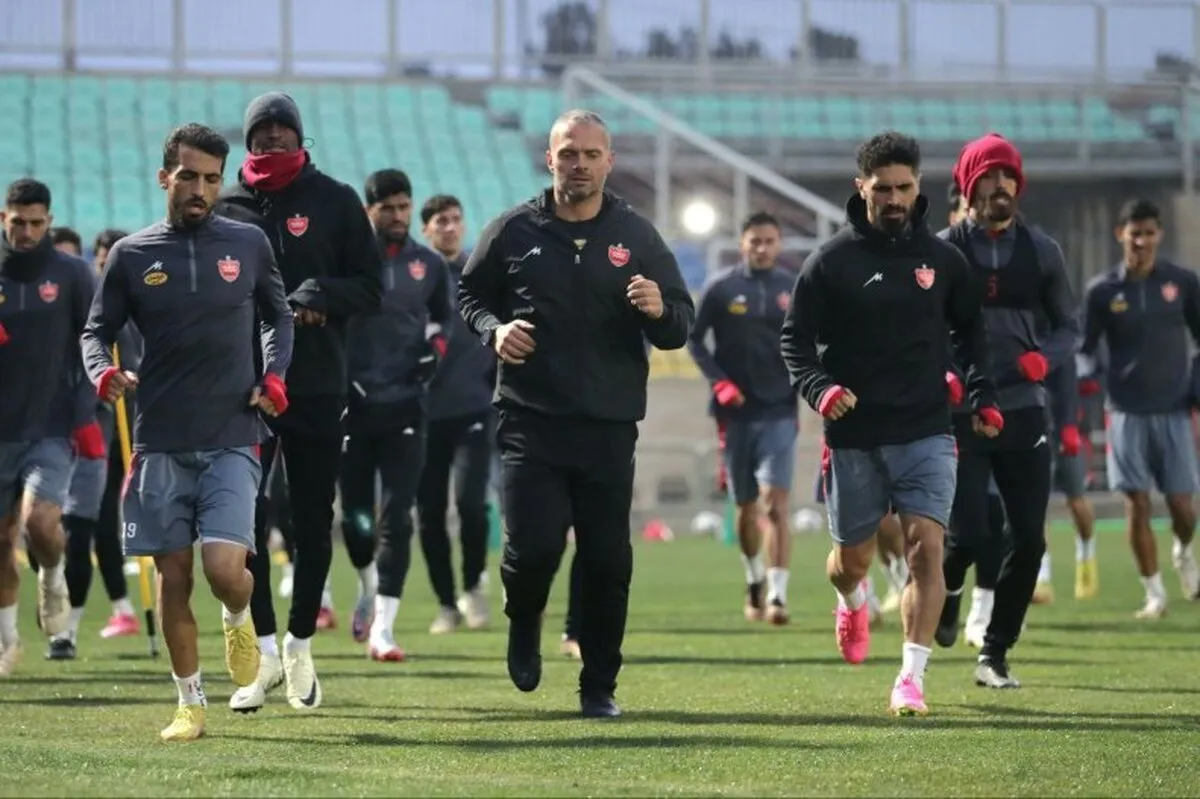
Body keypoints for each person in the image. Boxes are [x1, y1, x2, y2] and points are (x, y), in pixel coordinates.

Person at [458, 109, 694, 718]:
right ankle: (523, 617)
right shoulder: (512, 230)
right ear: (550, 159)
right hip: (530, 419)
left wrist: (658, 309)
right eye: (569, 153)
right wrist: (493, 329)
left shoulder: (637, 235)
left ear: (609, 162)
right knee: (534, 551)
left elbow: (679, 323)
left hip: (609, 425)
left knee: (607, 559)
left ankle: (599, 685)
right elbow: (469, 294)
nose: (580, 164)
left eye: (591, 154)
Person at [80, 123, 295, 740]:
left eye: (212, 178)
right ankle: (190, 705)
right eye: (189, 176)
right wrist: (103, 373)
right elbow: (96, 331)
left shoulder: (248, 243)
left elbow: (278, 315)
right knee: (173, 577)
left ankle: (238, 616)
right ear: (164, 177)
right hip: (160, 441)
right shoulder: (131, 255)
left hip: (233, 431)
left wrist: (274, 376)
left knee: (225, 570)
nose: (201, 189)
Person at [780, 131, 999, 716]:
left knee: (926, 547)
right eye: (883, 189)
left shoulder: (944, 261)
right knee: (849, 561)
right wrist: (821, 390)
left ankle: (911, 678)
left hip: (927, 429)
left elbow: (971, 332)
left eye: (904, 187)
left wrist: (980, 392)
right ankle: (852, 599)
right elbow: (795, 342)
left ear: (918, 186)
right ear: (862, 188)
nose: (895, 198)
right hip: (855, 434)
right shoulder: (830, 262)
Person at [215, 92, 383, 712]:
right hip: (242, 390)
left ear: (300, 136)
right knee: (245, 523)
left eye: (283, 128)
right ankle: (260, 654)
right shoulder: (225, 207)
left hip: (316, 385)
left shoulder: (335, 200)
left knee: (313, 519)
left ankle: (300, 646)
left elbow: (373, 286)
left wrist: (323, 296)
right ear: (249, 140)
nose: (273, 138)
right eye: (261, 130)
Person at [939, 133, 1080, 689]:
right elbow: (922, 325)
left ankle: (995, 654)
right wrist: (946, 373)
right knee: (969, 532)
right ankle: (950, 588)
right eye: (990, 177)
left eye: (1009, 177)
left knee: (1028, 538)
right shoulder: (944, 251)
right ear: (968, 186)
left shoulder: (1043, 251)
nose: (1001, 186)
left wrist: (1044, 360)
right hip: (962, 410)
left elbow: (1068, 327)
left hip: (1023, 410)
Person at [339, 169, 452, 660]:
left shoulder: (428, 264)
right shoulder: (346, 260)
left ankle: (384, 629)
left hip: (407, 404)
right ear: (369, 211)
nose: (398, 215)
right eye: (387, 207)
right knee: (356, 518)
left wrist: (435, 350)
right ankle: (367, 583)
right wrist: (342, 376)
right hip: (353, 407)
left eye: (404, 206)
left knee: (398, 517)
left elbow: (443, 317)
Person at [0, 178, 103, 677]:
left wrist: (85, 412)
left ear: (49, 221)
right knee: (1, 542)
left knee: (40, 522)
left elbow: (94, 340)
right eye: (18, 222)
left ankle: (53, 576)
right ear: (3, 219)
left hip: (52, 425)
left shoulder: (72, 274)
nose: (26, 232)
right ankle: (7, 641)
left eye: (36, 223)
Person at [1080, 198, 1200, 617]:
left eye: (1149, 233)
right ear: (1121, 235)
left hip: (1174, 409)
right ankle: (1154, 593)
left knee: (1183, 507)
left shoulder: (1182, 283)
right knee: (1137, 503)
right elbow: (1085, 348)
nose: (1142, 241)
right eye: (1135, 234)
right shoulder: (1102, 291)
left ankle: (1183, 550)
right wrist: (1084, 378)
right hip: (1125, 411)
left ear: (1159, 235)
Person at [687, 211, 799, 624]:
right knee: (745, 506)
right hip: (735, 414)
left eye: (769, 241)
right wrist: (719, 382)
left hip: (780, 409)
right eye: (755, 241)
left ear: (779, 243)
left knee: (776, 503)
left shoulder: (792, 288)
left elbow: (809, 340)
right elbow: (694, 340)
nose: (762, 248)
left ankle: (778, 597)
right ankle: (754, 579)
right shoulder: (721, 288)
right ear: (742, 244)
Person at [49, 230, 145, 659]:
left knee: (91, 524)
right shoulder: (63, 307)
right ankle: (113, 608)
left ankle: (72, 628)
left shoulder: (127, 306)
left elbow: (133, 363)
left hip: (104, 429)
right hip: (51, 428)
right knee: (64, 529)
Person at [415, 194, 498, 634]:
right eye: (440, 221)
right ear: (426, 229)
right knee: (429, 512)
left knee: (470, 503)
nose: (449, 227)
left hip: (473, 407)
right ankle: (446, 603)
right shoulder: (414, 275)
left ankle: (472, 586)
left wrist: (493, 385)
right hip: (423, 413)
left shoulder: (479, 274)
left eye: (455, 219)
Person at [1031, 351, 1098, 603]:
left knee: (1077, 502)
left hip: (1064, 427)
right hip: (1034, 427)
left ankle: (1086, 555)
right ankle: (1042, 578)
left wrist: (1069, 424)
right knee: (1037, 506)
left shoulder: (1059, 340)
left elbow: (1069, 384)